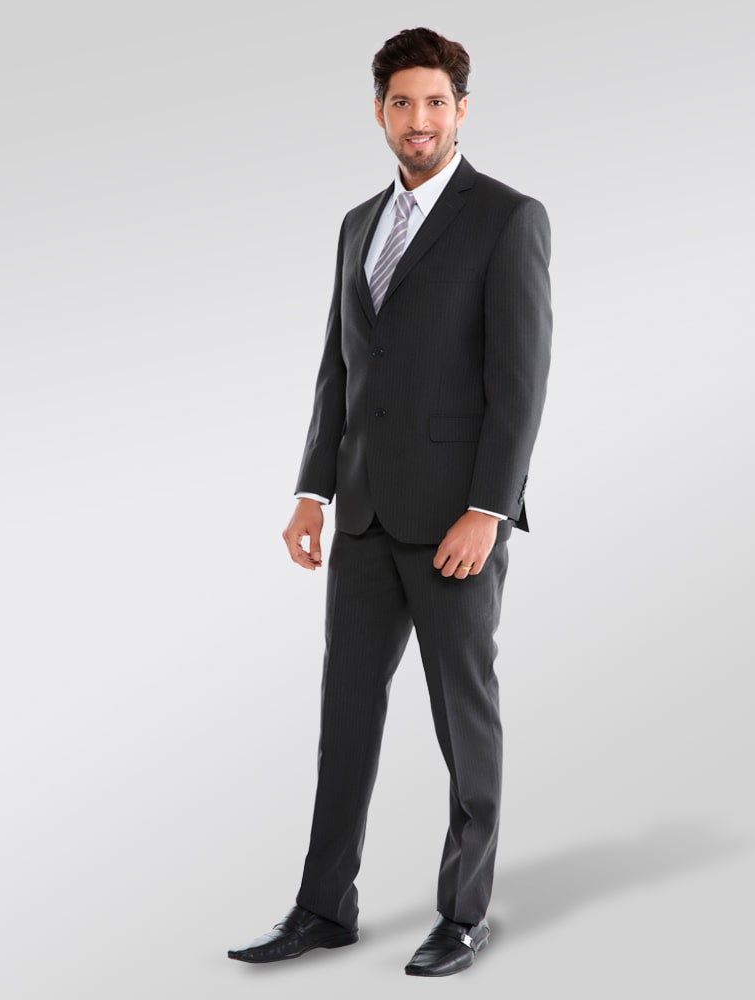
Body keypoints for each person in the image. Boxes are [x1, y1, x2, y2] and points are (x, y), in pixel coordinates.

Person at [228, 26, 552, 977]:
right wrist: (311, 489)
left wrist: (489, 510)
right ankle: (324, 907)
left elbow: (521, 384)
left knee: (464, 721)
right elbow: (340, 367)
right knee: (346, 720)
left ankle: (464, 912)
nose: (420, 120)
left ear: (462, 111)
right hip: (364, 516)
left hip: (456, 524)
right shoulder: (356, 223)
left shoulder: (508, 218)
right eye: (403, 103)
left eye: (436, 103)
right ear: (379, 112)